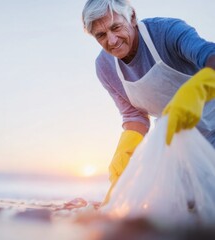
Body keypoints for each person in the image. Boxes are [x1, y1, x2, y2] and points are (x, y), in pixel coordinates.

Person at [81, 0, 215, 204]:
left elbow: (211, 56)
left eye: (115, 27)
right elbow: (134, 116)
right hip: (176, 144)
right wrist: (126, 153)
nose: (112, 40)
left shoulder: (167, 32)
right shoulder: (105, 67)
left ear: (132, 17)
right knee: (183, 208)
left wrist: (199, 90)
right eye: (101, 35)